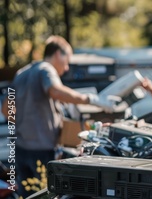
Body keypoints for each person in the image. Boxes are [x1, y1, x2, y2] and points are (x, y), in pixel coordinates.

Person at [1, 36, 116, 198]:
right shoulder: (46, 70)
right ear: (57, 54)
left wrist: (23, 124)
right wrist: (90, 99)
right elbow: (55, 90)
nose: (67, 67)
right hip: (43, 150)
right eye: (67, 61)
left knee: (26, 194)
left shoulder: (22, 72)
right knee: (47, 193)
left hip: (21, 147)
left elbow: (6, 109)